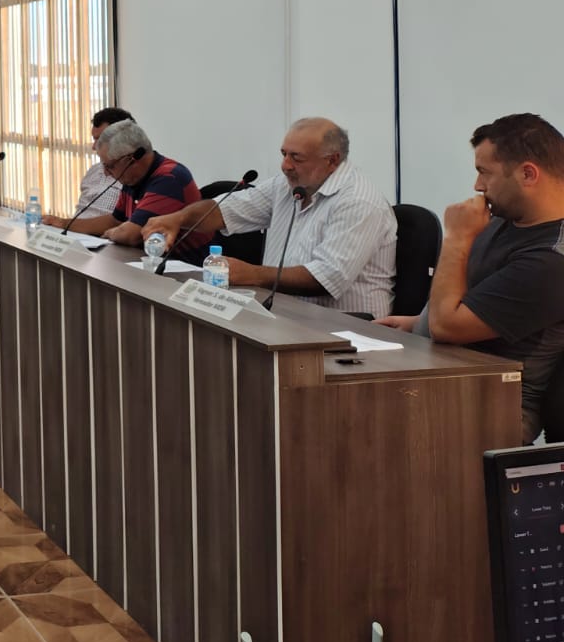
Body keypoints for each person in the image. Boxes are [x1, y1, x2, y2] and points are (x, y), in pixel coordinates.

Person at [377, 114, 564, 442]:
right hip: (447, 375)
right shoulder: (506, 220)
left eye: (484, 172)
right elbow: (473, 303)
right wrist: (418, 322)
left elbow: (448, 327)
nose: (478, 186)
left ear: (528, 174)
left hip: (492, 403)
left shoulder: (551, 259)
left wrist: (457, 238)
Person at [145, 117, 396, 315]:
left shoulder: (358, 201)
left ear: (332, 160)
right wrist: (178, 219)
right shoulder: (287, 186)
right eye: (284, 154)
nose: (285, 165)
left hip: (347, 328)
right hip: (287, 315)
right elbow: (224, 210)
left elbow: (327, 277)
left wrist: (253, 274)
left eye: (296, 158)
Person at [61, 120, 212, 261]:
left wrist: (112, 233)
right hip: (145, 261)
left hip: (185, 268)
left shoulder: (169, 178)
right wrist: (62, 223)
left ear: (132, 159)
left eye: (110, 166)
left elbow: (131, 235)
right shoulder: (132, 176)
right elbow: (115, 220)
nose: (106, 173)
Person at [44, 105, 133, 229]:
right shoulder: (94, 171)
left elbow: (119, 223)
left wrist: (64, 223)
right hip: (73, 234)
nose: (94, 147)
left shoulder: (132, 177)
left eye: (100, 140)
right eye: (94, 139)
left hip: (103, 238)